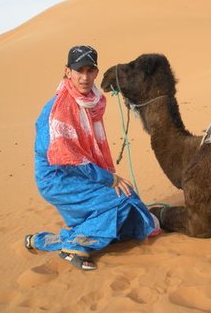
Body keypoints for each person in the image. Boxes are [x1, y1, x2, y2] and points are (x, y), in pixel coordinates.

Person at [25, 45, 159, 270]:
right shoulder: (61, 108)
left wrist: (106, 177)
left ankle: (41, 240)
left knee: (130, 203)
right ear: (68, 72)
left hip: (78, 171)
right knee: (122, 200)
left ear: (96, 72)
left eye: (90, 70)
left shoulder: (89, 102)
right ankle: (75, 247)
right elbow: (67, 158)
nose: (84, 77)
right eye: (79, 71)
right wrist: (108, 178)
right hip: (58, 178)